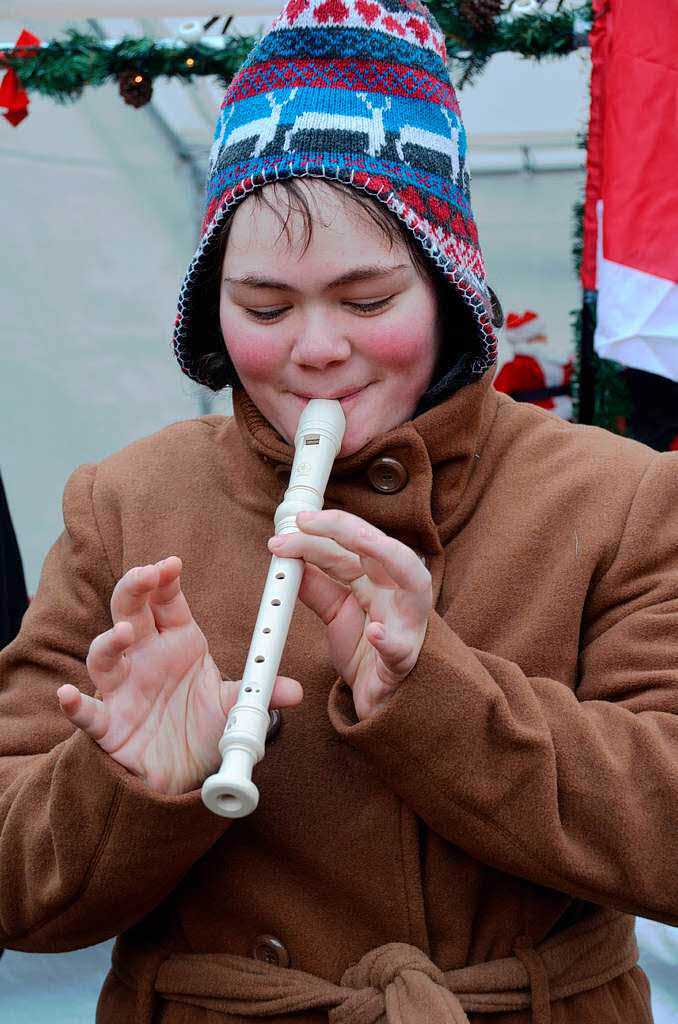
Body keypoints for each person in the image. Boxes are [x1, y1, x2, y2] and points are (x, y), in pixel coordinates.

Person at [1, 3, 677, 1023]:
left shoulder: (618, 497)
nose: (315, 348)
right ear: (213, 308)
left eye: (367, 300)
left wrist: (433, 690)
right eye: (265, 308)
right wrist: (129, 783)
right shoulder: (125, 502)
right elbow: (15, 892)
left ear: (449, 288)